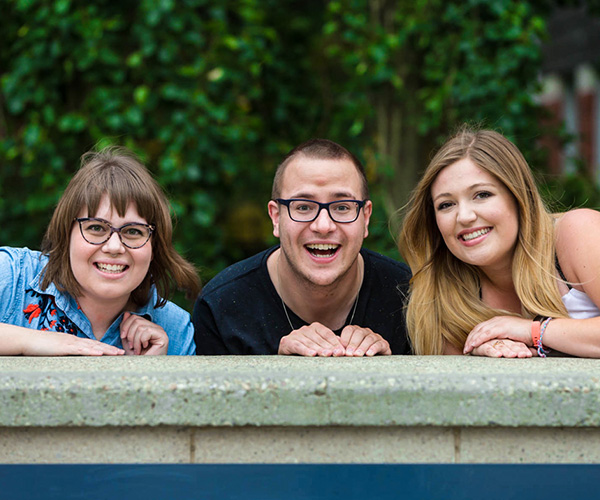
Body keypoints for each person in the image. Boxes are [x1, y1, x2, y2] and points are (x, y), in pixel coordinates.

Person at [194, 138, 411, 356]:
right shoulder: (221, 307)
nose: (323, 226)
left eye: (343, 207)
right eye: (304, 207)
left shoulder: (409, 297)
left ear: (365, 218)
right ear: (276, 217)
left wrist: (388, 370)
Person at [398, 127, 600, 358]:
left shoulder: (576, 231)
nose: (464, 216)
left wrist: (531, 331)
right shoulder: (442, 300)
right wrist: (481, 353)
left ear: (518, 197)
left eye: (482, 195)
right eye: (446, 205)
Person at [0, 146, 200, 356]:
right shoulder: (12, 277)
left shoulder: (174, 330)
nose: (114, 247)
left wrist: (151, 373)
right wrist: (32, 340)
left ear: (154, 245)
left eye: (133, 231)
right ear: (66, 233)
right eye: (96, 228)